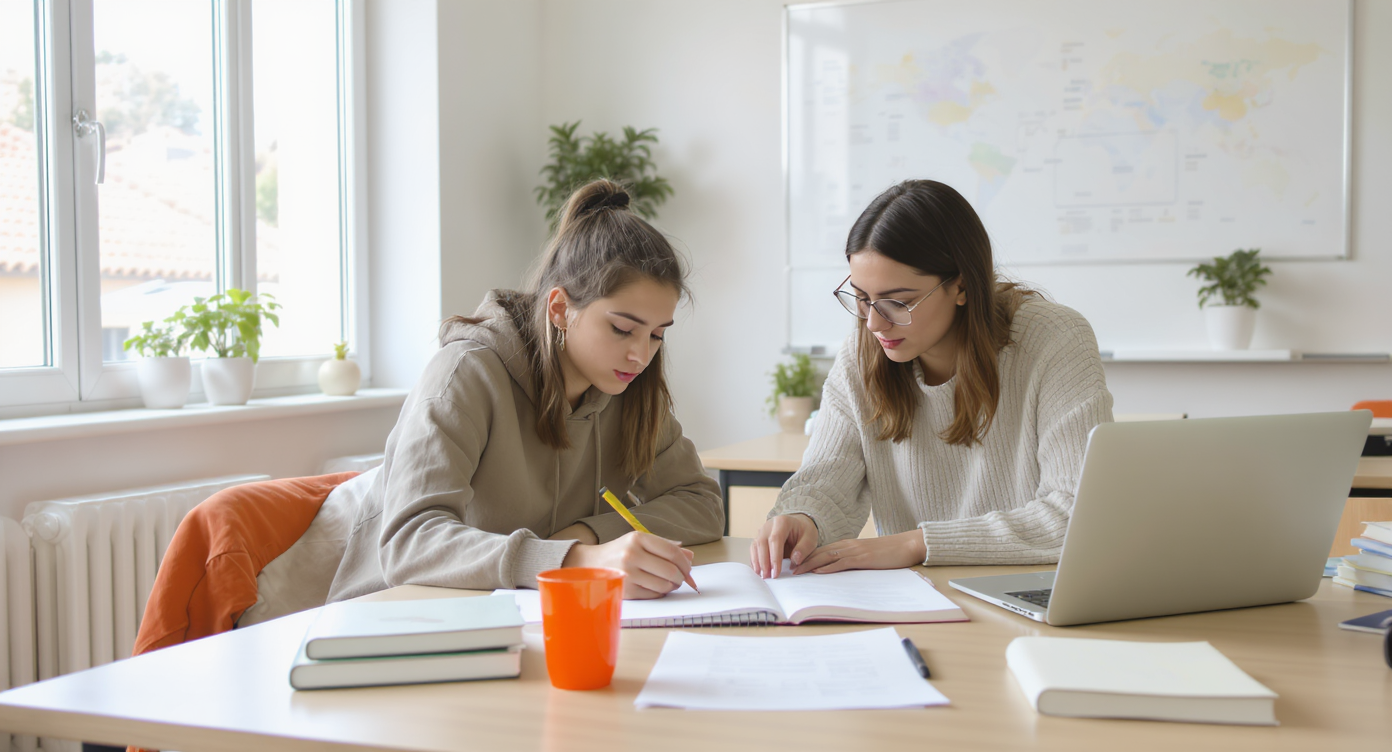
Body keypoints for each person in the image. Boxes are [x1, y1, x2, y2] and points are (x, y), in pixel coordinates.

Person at [250, 179, 723, 617]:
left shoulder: (624, 384)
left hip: (516, 617)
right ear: (560, 308)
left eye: (658, 335)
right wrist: (576, 558)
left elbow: (703, 504)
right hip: (399, 619)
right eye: (622, 328)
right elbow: (410, 544)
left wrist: (587, 535)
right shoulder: (465, 374)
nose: (641, 355)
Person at [752, 179, 1113, 579]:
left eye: (899, 301)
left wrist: (914, 543)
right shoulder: (862, 355)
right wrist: (804, 518)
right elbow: (828, 480)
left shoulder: (1054, 339)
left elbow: (1076, 513)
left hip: (1032, 590)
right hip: (919, 596)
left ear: (960, 285)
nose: (873, 322)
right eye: (861, 297)